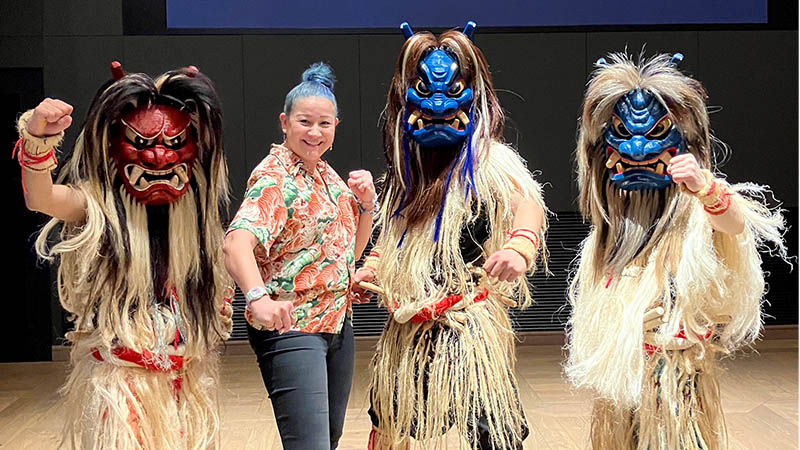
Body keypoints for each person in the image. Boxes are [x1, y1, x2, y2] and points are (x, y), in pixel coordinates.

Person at [566, 52, 788, 449]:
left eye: (656, 134)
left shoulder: (696, 217)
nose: (637, 148)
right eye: (622, 133)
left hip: (676, 371)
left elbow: (734, 225)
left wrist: (705, 188)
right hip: (624, 370)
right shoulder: (607, 237)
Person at [13, 63, 233, 449]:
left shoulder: (199, 219)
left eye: (175, 143)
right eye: (142, 143)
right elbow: (41, 197)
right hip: (121, 381)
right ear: (113, 144)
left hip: (184, 380)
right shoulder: (96, 204)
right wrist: (37, 138)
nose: (160, 158)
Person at [352, 22, 547, 450]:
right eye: (424, 91)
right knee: (391, 418)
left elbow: (527, 204)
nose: (438, 104)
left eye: (453, 91)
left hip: (468, 323)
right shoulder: (406, 173)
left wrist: (520, 246)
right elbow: (395, 236)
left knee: (493, 427)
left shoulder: (488, 163)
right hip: (412, 325)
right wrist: (371, 268)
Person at [223, 62, 377, 450]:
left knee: (328, 438)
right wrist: (257, 298)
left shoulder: (328, 176)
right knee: (310, 445)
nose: (314, 132)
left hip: (337, 325)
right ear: (285, 122)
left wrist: (366, 206)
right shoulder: (275, 177)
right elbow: (236, 243)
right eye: (305, 122)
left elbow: (349, 253)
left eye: (324, 124)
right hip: (293, 327)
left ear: (336, 126)